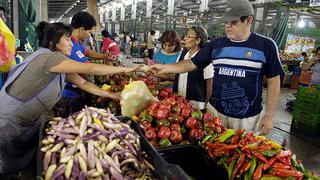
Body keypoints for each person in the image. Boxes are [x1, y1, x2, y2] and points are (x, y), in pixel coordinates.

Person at [0, 22, 139, 178]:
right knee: (6, 164)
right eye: (67, 39)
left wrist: (112, 95)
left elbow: (83, 83)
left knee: (20, 161)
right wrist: (124, 69)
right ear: (53, 42)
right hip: (8, 121)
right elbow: (90, 69)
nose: (71, 44)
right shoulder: (49, 58)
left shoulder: (58, 64)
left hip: (24, 120)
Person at [150, 0, 283, 134]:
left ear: (249, 20)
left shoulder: (266, 46)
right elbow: (191, 63)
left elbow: (274, 80)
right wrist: (164, 68)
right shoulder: (216, 45)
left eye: (233, 22)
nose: (228, 26)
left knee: (242, 150)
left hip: (247, 118)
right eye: (226, 22)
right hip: (216, 114)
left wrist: (269, 115)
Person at [56, 12, 112, 117]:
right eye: (89, 32)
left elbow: (86, 52)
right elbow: (90, 68)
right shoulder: (71, 47)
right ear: (81, 29)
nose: (89, 35)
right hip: (70, 96)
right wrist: (120, 70)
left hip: (73, 91)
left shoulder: (75, 42)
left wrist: (103, 56)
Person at [173, 26, 213, 110]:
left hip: (196, 105)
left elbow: (210, 86)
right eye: (186, 36)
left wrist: (206, 106)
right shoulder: (183, 55)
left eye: (189, 36)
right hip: (179, 103)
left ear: (198, 40)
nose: (185, 38)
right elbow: (175, 75)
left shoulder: (205, 59)